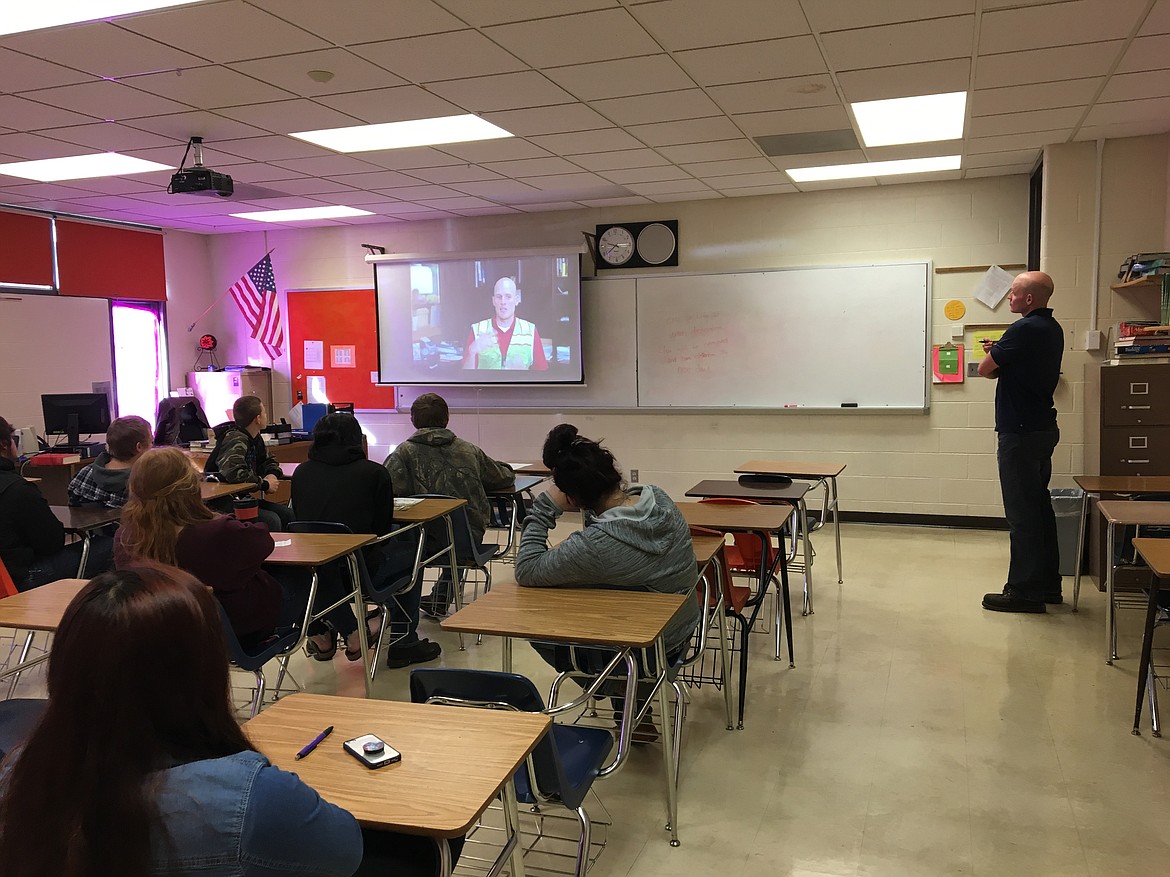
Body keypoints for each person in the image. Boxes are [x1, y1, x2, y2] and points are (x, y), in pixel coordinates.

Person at [0, 563, 463, 877]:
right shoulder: (248, 796)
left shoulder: (18, 776)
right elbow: (346, 852)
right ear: (201, 668)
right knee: (429, 845)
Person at [514, 424, 700, 735]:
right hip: (683, 625)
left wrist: (544, 507)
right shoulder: (659, 497)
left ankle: (610, 684)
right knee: (600, 591)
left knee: (532, 621)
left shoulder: (596, 547)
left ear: (572, 499)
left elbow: (528, 569)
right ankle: (622, 693)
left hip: (649, 650)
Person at [114, 447, 347, 650]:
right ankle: (325, 632)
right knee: (303, 576)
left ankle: (323, 634)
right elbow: (264, 543)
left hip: (161, 634)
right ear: (190, 488)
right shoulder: (217, 532)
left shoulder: (125, 538)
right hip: (234, 633)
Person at [293, 413, 442, 668]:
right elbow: (381, 529)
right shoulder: (374, 473)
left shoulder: (301, 472)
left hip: (317, 574)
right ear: (356, 439)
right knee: (415, 554)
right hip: (362, 571)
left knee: (343, 561)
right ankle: (401, 640)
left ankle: (332, 624)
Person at [978, 270, 1065, 614]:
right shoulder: (1050, 329)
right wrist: (1001, 352)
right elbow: (1010, 365)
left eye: (1013, 294)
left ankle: (1023, 591)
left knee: (1022, 514)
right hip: (1042, 429)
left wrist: (998, 353)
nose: (1009, 298)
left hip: (1020, 432)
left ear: (1029, 298)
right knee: (1040, 509)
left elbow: (985, 369)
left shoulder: (1024, 328)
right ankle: (1047, 585)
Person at [383, 393, 515, 617]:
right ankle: (441, 597)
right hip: (467, 541)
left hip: (421, 543)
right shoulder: (468, 450)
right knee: (457, 523)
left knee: (419, 530)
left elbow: (385, 487)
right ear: (447, 418)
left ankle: (405, 611)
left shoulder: (403, 453)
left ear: (414, 420)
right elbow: (502, 477)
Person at [0, 415, 112, 590]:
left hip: (5, 577)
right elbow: (51, 543)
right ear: (4, 444)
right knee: (109, 545)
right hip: (19, 578)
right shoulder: (18, 490)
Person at [204, 395, 292, 532]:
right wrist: (264, 484)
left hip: (241, 497)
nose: (266, 416)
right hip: (222, 500)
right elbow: (233, 473)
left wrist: (272, 474)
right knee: (271, 520)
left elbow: (268, 460)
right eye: (264, 412)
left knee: (286, 513)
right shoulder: (236, 439)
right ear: (258, 418)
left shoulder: (255, 437)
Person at [463, 276, 549, 370]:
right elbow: (465, 379)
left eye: (508, 297)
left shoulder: (530, 331)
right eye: (499, 297)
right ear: (493, 301)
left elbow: (543, 377)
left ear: (516, 300)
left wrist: (524, 376)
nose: (503, 302)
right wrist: (471, 353)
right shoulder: (477, 330)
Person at [67, 414, 153, 508]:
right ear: (139, 447)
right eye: (151, 442)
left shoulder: (83, 475)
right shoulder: (142, 484)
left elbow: (73, 510)